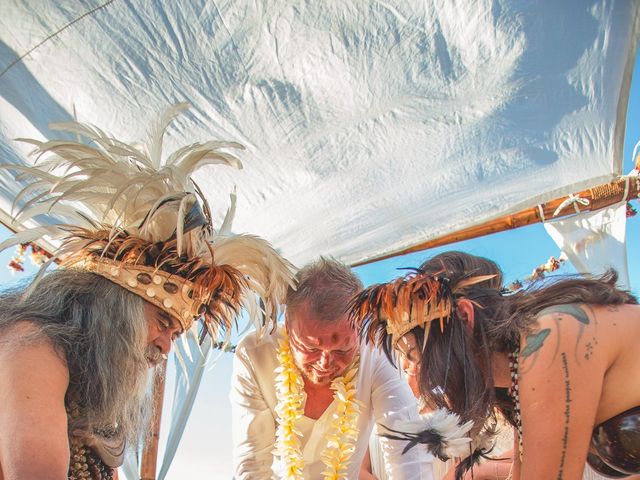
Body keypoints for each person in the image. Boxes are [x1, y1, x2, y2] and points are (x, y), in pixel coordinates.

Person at [0, 104, 294, 479]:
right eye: (163, 321)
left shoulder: (89, 380)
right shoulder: (33, 347)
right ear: (115, 305)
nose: (166, 347)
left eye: (174, 333)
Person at [349, 251, 640, 479]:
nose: (417, 371)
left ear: (464, 316)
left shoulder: (551, 338)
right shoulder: (516, 375)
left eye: (414, 352)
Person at [230, 257, 434, 479]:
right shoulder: (255, 354)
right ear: (288, 323)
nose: (324, 364)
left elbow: (403, 439)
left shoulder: (376, 351)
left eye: (341, 350)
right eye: (311, 347)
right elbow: (253, 464)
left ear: (360, 327)